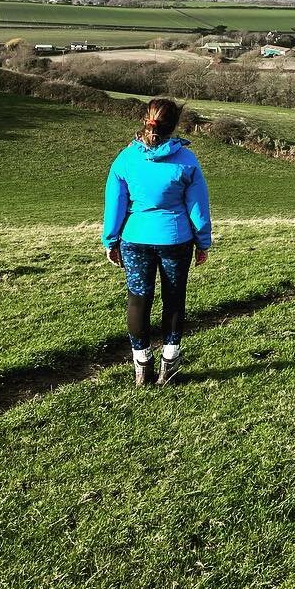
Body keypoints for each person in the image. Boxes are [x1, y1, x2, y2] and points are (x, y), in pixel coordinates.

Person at [102, 97, 212, 386]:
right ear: (175, 125)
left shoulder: (125, 159)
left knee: (138, 300)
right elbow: (198, 208)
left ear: (145, 121)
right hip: (176, 240)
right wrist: (203, 243)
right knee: (174, 300)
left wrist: (111, 240)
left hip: (134, 239)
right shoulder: (188, 161)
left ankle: (142, 367)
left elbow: (114, 204)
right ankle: (170, 366)